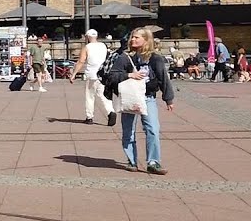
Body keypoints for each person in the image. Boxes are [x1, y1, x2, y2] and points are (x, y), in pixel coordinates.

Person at [104, 27, 174, 174]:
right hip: (129, 98)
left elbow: (163, 78)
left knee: (153, 129)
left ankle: (153, 162)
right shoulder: (125, 57)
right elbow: (112, 76)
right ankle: (132, 161)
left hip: (148, 98)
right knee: (128, 131)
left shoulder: (155, 58)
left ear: (146, 40)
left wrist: (168, 98)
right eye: (132, 37)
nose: (133, 40)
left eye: (137, 37)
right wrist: (129, 75)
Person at [68, 28, 116, 126]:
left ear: (88, 37)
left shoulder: (87, 47)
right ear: (96, 36)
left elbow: (81, 61)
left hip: (92, 74)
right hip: (104, 74)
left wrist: (74, 74)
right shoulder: (103, 46)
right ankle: (110, 111)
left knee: (90, 96)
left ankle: (89, 117)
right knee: (104, 95)